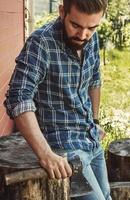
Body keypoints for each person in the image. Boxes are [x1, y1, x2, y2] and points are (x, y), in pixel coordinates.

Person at [4, 0, 112, 199]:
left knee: (106, 195)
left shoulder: (91, 39)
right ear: (63, 12)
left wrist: (95, 121)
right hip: (64, 148)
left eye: (92, 27)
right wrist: (45, 154)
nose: (83, 35)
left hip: (91, 139)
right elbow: (18, 97)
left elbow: (94, 79)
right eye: (76, 25)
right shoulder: (41, 42)